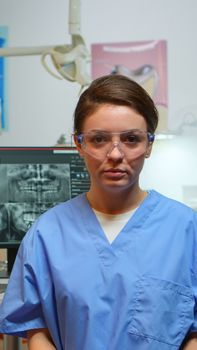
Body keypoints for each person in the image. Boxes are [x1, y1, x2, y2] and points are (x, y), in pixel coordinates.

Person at [0, 74, 197, 350]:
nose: (115, 154)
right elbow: (37, 330)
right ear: (79, 144)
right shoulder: (46, 234)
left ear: (149, 144)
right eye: (99, 139)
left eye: (131, 139)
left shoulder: (187, 230)